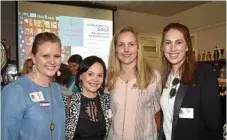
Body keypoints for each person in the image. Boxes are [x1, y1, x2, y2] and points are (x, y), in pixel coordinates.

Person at [159, 23, 222, 140]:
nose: (173, 48)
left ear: (187, 46)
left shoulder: (203, 73)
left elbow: (213, 123)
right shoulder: (164, 78)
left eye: (178, 42)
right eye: (168, 43)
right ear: (163, 47)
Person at [1, 32, 65, 140]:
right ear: (33, 58)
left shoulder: (56, 89)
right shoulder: (15, 90)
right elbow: (6, 135)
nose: (52, 61)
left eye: (57, 56)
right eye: (46, 56)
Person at [107, 26, 162, 140]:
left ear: (138, 48)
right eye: (121, 45)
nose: (126, 49)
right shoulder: (109, 78)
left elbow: (157, 111)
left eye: (131, 44)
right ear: (116, 49)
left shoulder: (153, 77)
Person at [64, 55, 112, 140]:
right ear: (81, 76)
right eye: (90, 74)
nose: (95, 79)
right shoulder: (68, 101)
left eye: (100, 75)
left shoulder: (108, 101)